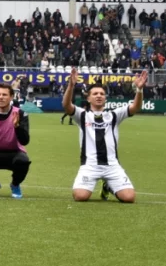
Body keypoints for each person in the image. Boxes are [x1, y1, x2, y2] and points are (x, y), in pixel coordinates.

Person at [62, 66, 149, 204]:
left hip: (112, 166)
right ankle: (106, 184)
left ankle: (108, 186)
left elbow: (135, 107)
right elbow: (66, 106)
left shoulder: (114, 115)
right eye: (95, 94)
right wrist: (71, 86)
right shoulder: (83, 116)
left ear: (105, 98)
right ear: (89, 98)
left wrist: (139, 90)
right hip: (90, 166)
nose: (99, 96)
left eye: (102, 94)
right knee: (80, 196)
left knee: (129, 198)